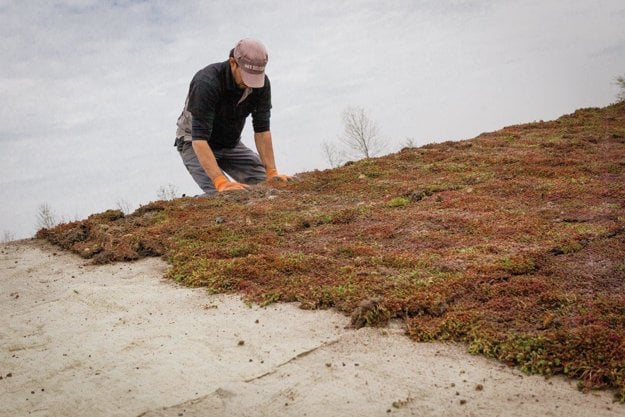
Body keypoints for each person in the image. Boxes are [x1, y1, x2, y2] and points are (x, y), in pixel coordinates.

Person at [174, 38, 291, 195]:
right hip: (195, 142)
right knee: (224, 194)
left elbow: (262, 130)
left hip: (230, 144)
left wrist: (272, 173)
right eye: (247, 76)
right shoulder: (207, 82)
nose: (251, 84)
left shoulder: (261, 85)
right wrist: (221, 182)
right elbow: (199, 139)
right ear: (233, 63)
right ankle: (190, 207)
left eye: (255, 77)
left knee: (268, 187)